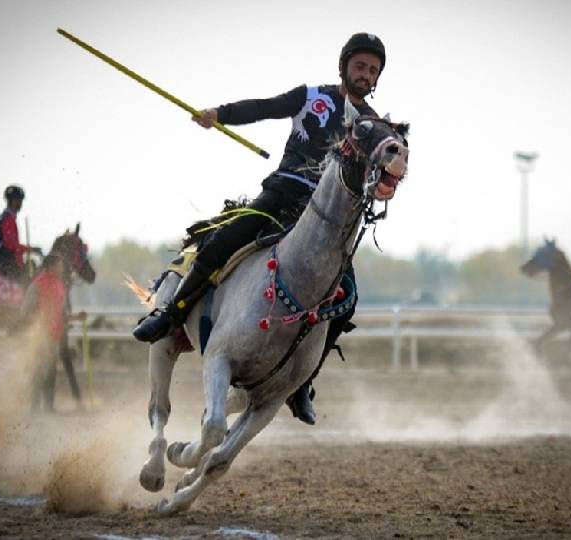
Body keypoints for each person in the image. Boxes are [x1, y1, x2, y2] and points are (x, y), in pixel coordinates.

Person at [133, 32, 388, 424]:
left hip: (326, 225)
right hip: (282, 197)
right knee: (224, 240)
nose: (365, 75)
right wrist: (219, 114)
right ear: (344, 66)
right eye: (360, 66)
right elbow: (263, 107)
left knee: (346, 296)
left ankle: (302, 383)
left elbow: (376, 173)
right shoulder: (310, 96)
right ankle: (171, 313)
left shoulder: (371, 126)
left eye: (373, 70)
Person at [20, 253, 85, 411]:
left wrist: (76, 317)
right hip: (40, 335)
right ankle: (34, 406)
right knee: (39, 369)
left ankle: (48, 406)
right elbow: (25, 311)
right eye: (59, 264)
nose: (62, 267)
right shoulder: (37, 284)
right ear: (50, 266)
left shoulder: (60, 285)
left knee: (51, 369)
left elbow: (62, 314)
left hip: (55, 335)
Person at [0, 184, 41, 284]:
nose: (21, 204)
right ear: (14, 201)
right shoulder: (8, 219)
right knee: (29, 283)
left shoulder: (6, 218)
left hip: (4, 260)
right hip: (8, 263)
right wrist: (31, 249)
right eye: (20, 201)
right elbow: (10, 245)